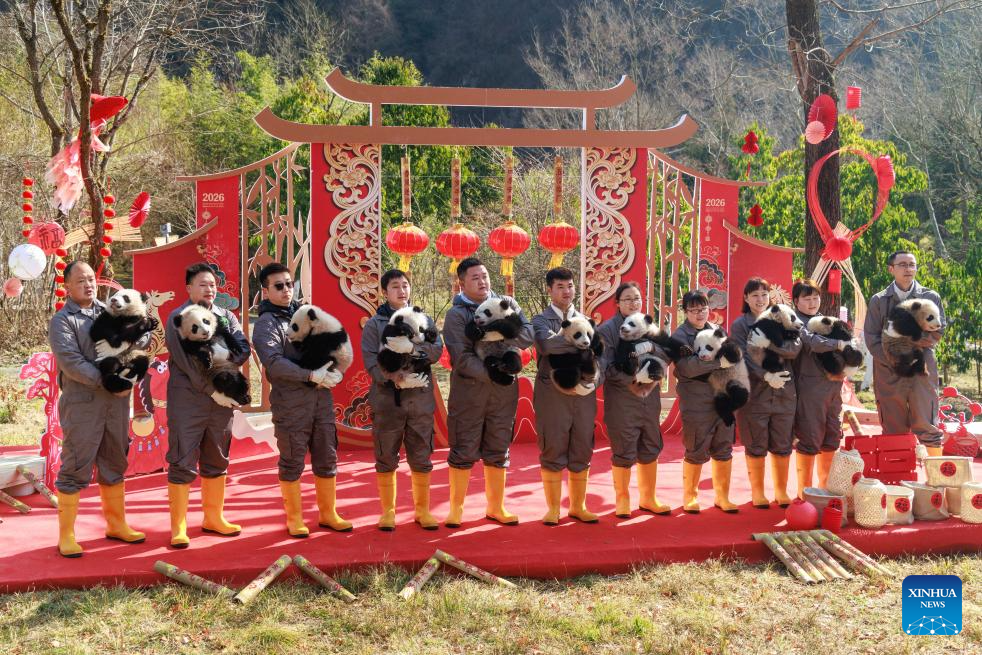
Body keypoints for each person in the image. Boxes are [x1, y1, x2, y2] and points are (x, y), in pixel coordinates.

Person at [49, 261, 147, 557]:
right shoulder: (62, 320)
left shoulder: (111, 311)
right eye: (80, 280)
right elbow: (70, 361)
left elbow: (135, 338)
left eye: (91, 279)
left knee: (115, 460)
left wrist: (140, 337)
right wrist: (108, 380)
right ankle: (66, 534)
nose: (88, 285)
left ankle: (116, 524)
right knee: (76, 463)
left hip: (115, 403)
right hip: (83, 403)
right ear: (66, 286)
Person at [251, 262, 351, 538]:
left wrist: (336, 372)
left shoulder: (307, 314)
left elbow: (335, 342)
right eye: (278, 286)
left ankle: (328, 513)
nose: (286, 290)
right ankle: (294, 517)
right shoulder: (265, 324)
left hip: (321, 400)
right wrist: (309, 375)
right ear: (265, 290)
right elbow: (273, 363)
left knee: (327, 455)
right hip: (291, 401)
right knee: (292, 459)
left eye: (289, 284)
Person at [442, 257, 534, 527]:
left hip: (503, 393)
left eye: (484, 276)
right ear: (462, 283)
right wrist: (493, 373)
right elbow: (461, 357)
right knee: (464, 448)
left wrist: (501, 331)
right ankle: (456, 509)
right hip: (470, 392)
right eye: (475, 278)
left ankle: (496, 507)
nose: (482, 281)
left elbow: (527, 335)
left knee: (498, 447)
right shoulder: (457, 315)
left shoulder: (506, 304)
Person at [165, 262, 251, 548]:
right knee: (182, 458)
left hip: (221, 402)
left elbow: (243, 349)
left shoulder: (226, 316)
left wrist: (223, 370)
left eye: (213, 284)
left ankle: (213, 518)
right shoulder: (178, 318)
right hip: (189, 399)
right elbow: (187, 364)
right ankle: (179, 527)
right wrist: (213, 388)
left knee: (217, 456)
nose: (209, 288)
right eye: (203, 284)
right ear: (188, 288)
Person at [361, 269, 443, 531]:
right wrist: (393, 376)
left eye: (405, 285)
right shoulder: (375, 324)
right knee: (386, 454)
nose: (401, 290)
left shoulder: (423, 318)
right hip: (387, 399)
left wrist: (414, 349)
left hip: (419, 398)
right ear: (385, 292)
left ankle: (423, 511)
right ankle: (388, 511)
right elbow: (371, 361)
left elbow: (436, 350)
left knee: (421, 453)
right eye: (395, 286)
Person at [531, 267, 602, 525]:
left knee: (582, 444)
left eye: (570, 285)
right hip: (552, 393)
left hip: (583, 395)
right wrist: (581, 339)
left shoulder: (585, 320)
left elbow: (599, 355)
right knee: (553, 445)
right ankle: (552, 508)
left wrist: (593, 381)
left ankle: (578, 506)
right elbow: (546, 345)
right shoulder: (540, 321)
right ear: (549, 290)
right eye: (560, 286)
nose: (566, 291)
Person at [597, 281, 671, 518]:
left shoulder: (649, 324)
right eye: (627, 298)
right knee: (624, 448)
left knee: (650, 444)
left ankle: (648, 498)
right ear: (617, 303)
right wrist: (632, 376)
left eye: (637, 298)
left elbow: (665, 353)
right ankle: (622, 500)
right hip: (622, 398)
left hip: (649, 397)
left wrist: (652, 364)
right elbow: (605, 366)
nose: (633, 303)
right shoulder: (608, 330)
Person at [863, 251, 946, 454]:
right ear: (891, 269)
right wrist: (895, 357)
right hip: (888, 368)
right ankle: (897, 482)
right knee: (893, 426)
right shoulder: (879, 300)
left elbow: (938, 331)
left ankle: (934, 482)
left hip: (921, 367)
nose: (908, 269)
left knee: (927, 422)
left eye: (912, 264)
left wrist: (907, 347)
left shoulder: (929, 297)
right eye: (903, 265)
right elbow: (871, 338)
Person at [730, 277, 801, 509]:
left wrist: (770, 344)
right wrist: (765, 376)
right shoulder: (740, 325)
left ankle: (781, 491)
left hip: (784, 391)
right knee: (756, 443)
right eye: (754, 295)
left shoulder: (783, 316)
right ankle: (758, 492)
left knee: (783, 442)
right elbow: (743, 357)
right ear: (746, 299)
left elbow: (794, 348)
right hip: (755, 394)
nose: (760, 300)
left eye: (764, 294)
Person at [671, 290, 738, 513]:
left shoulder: (717, 331)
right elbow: (688, 367)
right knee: (696, 446)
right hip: (696, 401)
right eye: (694, 310)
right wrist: (719, 363)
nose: (700, 314)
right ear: (685, 312)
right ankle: (690, 496)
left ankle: (722, 496)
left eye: (703, 309)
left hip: (722, 399)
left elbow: (733, 359)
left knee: (723, 446)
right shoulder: (680, 337)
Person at [791, 279, 851, 494]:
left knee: (831, 437)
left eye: (816, 297)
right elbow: (813, 343)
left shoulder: (826, 321)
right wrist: (839, 344)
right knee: (809, 438)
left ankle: (824, 490)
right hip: (809, 388)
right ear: (796, 301)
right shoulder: (794, 321)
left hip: (832, 388)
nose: (812, 302)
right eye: (807, 298)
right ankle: (804, 493)